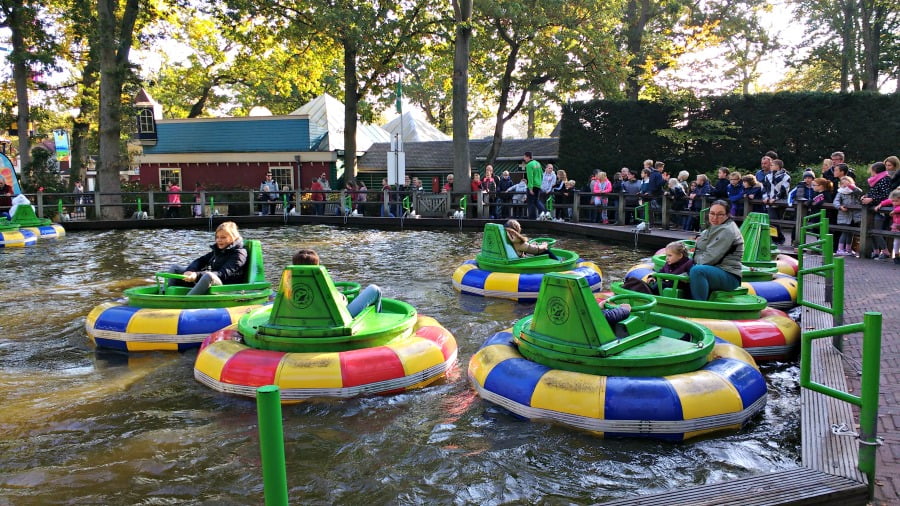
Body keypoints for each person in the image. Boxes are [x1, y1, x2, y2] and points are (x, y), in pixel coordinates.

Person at [291, 248, 382, 317]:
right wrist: (342, 297)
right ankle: (377, 319)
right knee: (374, 289)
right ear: (317, 267)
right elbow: (340, 303)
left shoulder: (287, 285)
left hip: (297, 322)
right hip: (332, 323)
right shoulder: (321, 283)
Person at [167, 221, 247, 295]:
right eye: (217, 237)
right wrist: (190, 271)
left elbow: (222, 274)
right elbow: (200, 261)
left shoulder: (239, 254)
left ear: (233, 238)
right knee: (175, 268)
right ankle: (168, 296)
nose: (219, 240)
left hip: (226, 286)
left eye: (223, 237)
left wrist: (197, 275)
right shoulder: (218, 251)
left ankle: (187, 301)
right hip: (213, 279)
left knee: (208, 275)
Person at [688, 201, 744, 301]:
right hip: (714, 269)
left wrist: (691, 262)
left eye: (720, 214)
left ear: (727, 215)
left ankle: (699, 304)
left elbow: (709, 258)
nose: (714, 217)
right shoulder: (713, 227)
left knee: (697, 271)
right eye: (712, 213)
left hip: (728, 274)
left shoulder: (727, 230)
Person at [861, 162, 895, 259]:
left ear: (875, 170)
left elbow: (886, 195)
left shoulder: (885, 179)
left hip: (881, 209)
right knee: (870, 229)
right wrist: (866, 196)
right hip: (872, 209)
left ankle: (885, 251)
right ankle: (875, 251)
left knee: (877, 230)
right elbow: (874, 192)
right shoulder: (875, 180)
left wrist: (872, 199)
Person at [833, 176, 862, 256]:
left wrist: (850, 186)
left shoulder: (854, 192)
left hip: (854, 217)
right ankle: (840, 249)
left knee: (851, 233)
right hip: (844, 216)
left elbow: (860, 192)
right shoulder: (840, 192)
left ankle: (848, 249)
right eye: (843, 183)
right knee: (845, 232)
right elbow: (835, 202)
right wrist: (840, 207)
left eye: (847, 183)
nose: (845, 185)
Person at [874, 189, 900, 264]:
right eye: (893, 201)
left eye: (896, 201)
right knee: (896, 241)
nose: (894, 203)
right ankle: (896, 256)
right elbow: (887, 201)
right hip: (897, 226)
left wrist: (895, 211)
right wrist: (880, 205)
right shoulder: (893, 201)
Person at [524, 151, 544, 219]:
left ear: (528, 157)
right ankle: (545, 212)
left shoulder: (529, 165)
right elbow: (541, 174)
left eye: (524, 157)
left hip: (532, 185)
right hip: (538, 185)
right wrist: (540, 183)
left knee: (531, 202)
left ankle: (532, 218)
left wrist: (530, 188)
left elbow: (530, 177)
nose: (524, 158)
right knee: (536, 201)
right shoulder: (538, 163)